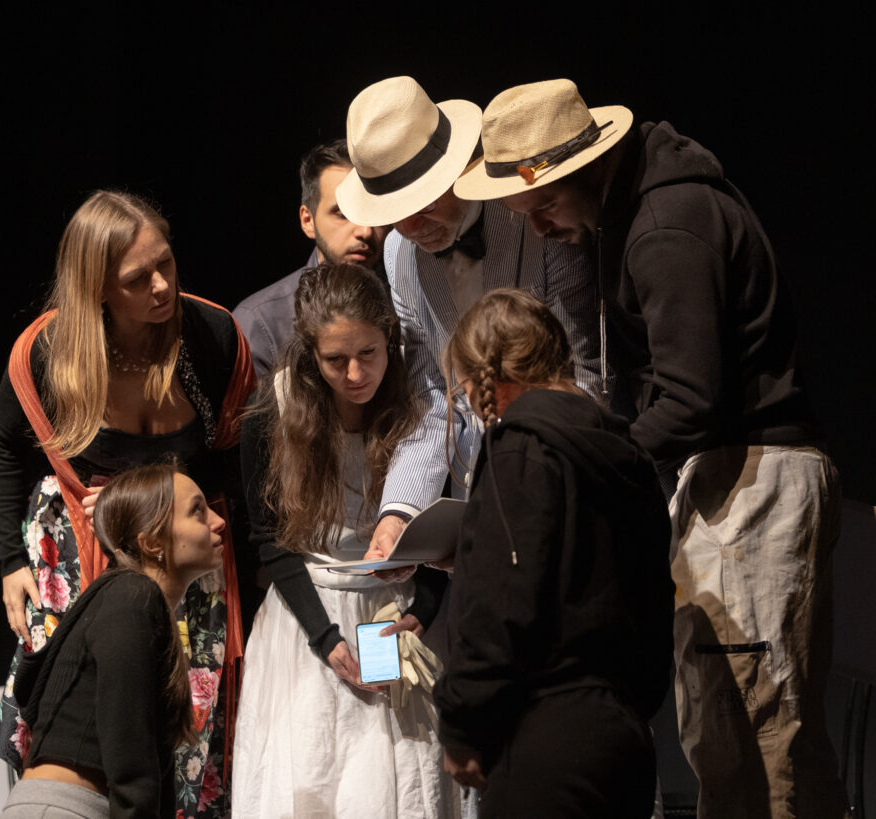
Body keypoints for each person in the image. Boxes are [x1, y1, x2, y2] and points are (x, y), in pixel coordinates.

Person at [454, 79, 847, 818]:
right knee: (741, 734)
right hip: (734, 473)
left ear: (577, 170)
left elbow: (692, 400)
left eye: (544, 209)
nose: (540, 230)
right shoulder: (643, 210)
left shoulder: (665, 226)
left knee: (753, 737)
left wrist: (592, 469)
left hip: (753, 475)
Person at [0, 190, 256, 818]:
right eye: (138, 279)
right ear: (98, 287)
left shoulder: (208, 337)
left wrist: (148, 491)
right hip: (77, 555)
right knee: (79, 726)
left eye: (167, 264)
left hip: (184, 561)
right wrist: (8, 560)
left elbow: (236, 462)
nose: (162, 287)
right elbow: (3, 446)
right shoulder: (50, 350)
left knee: (183, 742)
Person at [332, 76, 598, 560]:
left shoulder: (530, 215)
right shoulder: (398, 256)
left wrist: (553, 480)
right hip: (488, 504)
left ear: (453, 169)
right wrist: (400, 513)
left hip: (570, 482)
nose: (410, 228)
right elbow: (437, 395)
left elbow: (585, 367)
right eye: (396, 213)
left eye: (423, 204)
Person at [433, 288, 674, 817]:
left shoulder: (520, 445)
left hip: (547, 743)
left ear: (481, 382)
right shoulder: (625, 453)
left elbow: (501, 604)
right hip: (626, 744)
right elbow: (657, 601)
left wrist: (462, 725)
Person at [233, 263, 458, 818]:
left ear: (391, 339)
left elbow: (443, 526)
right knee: (312, 783)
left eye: (370, 354)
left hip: (394, 611)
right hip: (308, 615)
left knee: (399, 791)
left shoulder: (418, 406)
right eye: (336, 360)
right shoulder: (274, 410)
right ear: (311, 354)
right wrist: (325, 638)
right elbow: (269, 538)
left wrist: (422, 612)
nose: (356, 373)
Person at [0, 464, 226, 819]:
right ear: (151, 542)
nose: (218, 521)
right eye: (197, 510)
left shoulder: (127, 598)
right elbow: (130, 756)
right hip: (65, 808)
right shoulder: (133, 596)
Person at [233, 138, 389, 380]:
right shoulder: (261, 323)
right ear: (308, 221)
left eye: (373, 212)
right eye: (343, 214)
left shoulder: (410, 299)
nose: (365, 230)